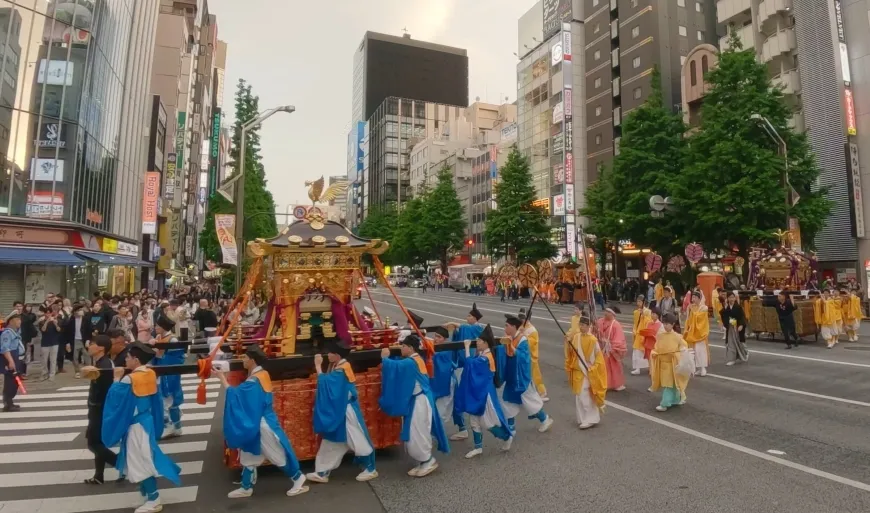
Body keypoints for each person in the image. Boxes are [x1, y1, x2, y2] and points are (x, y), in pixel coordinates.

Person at [217, 345, 308, 499]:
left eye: (245, 358)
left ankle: (298, 478)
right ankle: (246, 486)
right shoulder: (262, 374)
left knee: (276, 454)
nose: (243, 360)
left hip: (261, 423)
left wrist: (221, 378)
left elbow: (237, 395)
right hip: (258, 419)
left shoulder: (254, 380)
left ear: (252, 360)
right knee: (248, 454)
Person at [102, 342, 181, 513]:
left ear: (136, 360)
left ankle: (154, 499)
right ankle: (147, 495)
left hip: (136, 425)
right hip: (147, 421)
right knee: (145, 457)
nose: (126, 360)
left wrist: (116, 378)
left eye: (128, 357)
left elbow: (114, 398)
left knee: (139, 461)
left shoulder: (129, 378)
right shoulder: (150, 373)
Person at [378, 335, 449, 478]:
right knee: (415, 431)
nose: (401, 348)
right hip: (417, 400)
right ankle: (423, 461)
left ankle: (428, 460)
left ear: (410, 348)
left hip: (420, 402)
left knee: (418, 431)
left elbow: (396, 366)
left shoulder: (412, 362)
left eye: (403, 346)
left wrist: (385, 358)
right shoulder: (414, 359)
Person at [306, 341, 377, 484]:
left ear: (337, 355)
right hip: (339, 409)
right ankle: (322, 471)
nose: (328, 355)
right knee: (332, 441)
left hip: (346, 410)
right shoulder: (338, 366)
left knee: (357, 438)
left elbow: (326, 383)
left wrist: (318, 366)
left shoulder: (342, 369)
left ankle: (370, 468)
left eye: (330, 353)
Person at [454, 324, 513, 458]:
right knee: (474, 419)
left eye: (479, 341)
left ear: (486, 343)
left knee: (489, 423)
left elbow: (469, 364)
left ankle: (506, 437)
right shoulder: (483, 354)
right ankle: (478, 447)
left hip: (485, 394)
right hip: (479, 392)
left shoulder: (486, 357)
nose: (477, 342)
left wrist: (467, 347)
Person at [501, 315, 553, 434]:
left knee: (530, 402)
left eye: (507, 325)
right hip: (511, 376)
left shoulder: (522, 340)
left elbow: (524, 358)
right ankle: (511, 428)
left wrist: (513, 348)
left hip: (521, 377)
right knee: (508, 401)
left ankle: (545, 420)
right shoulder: (508, 337)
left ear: (514, 327)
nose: (505, 328)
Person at [79, 335, 118, 484]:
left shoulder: (105, 365)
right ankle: (99, 475)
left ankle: (121, 464)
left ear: (101, 348)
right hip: (97, 408)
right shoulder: (100, 363)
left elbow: (107, 390)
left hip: (100, 409)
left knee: (93, 444)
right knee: (98, 442)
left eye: (93, 343)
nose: (89, 345)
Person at [566, 314, 607, 429]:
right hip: (578, 370)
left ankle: (591, 418)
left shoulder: (593, 340)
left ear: (589, 326)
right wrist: (568, 343)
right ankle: (583, 418)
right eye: (580, 325)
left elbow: (599, 358)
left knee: (585, 394)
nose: (581, 327)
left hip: (588, 371)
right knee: (579, 395)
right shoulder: (577, 337)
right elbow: (572, 353)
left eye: (584, 325)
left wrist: (593, 368)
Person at [430, 326, 469, 441]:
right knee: (454, 407)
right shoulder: (440, 348)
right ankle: (463, 430)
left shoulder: (445, 350)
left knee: (441, 409)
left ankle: (438, 433)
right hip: (446, 380)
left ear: (445, 339)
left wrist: (429, 352)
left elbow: (439, 363)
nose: (436, 339)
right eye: (435, 336)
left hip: (447, 382)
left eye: (439, 337)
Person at [151, 316, 185, 437]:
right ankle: (174, 426)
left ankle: (172, 426)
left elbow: (178, 359)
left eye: (157, 326)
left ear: (164, 327)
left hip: (170, 373)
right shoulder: (159, 337)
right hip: (161, 371)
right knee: (164, 400)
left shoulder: (172, 340)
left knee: (169, 399)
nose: (155, 328)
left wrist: (159, 354)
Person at [650, 313, 690, 412]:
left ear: (672, 324)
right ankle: (676, 399)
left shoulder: (677, 336)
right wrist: (654, 353)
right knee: (671, 384)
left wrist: (677, 353)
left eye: (667, 323)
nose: (665, 325)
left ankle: (665, 403)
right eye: (664, 323)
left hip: (672, 364)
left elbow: (684, 348)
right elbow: (656, 347)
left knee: (668, 384)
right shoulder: (660, 335)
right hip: (663, 363)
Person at [517, 307, 548, 401]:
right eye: (520, 317)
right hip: (521, 356)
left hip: (530, 357)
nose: (520, 319)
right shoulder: (520, 327)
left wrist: (523, 335)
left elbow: (531, 343)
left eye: (522, 318)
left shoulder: (532, 330)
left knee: (535, 376)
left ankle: (542, 392)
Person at [594, 308, 626, 391]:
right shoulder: (600, 321)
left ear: (613, 314)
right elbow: (595, 331)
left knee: (613, 368)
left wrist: (612, 347)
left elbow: (619, 339)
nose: (606, 313)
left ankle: (615, 384)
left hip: (610, 350)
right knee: (601, 367)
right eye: (605, 311)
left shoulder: (616, 325)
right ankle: (601, 383)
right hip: (601, 347)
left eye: (608, 312)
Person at [683, 291, 711, 376]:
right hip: (692, 331)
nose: (693, 299)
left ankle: (703, 368)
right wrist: (687, 328)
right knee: (693, 350)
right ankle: (698, 368)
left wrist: (693, 312)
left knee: (700, 350)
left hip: (700, 332)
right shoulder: (691, 307)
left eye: (695, 297)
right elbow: (688, 319)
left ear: (699, 298)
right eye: (692, 297)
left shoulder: (704, 307)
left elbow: (700, 318)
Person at [1, 314, 24, 412]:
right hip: (11, 358)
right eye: (17, 319)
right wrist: (11, 361)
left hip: (16, 357)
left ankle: (10, 402)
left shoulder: (14, 332)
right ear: (10, 321)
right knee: (10, 382)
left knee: (15, 382)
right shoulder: (7, 333)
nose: (20, 321)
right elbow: (4, 349)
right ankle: (7, 403)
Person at [721, 291, 749, 366]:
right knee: (730, 343)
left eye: (733, 297)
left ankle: (745, 352)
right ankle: (732, 359)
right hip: (730, 327)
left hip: (737, 327)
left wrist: (741, 325)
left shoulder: (738, 307)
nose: (731, 299)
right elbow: (724, 316)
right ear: (727, 298)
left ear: (735, 298)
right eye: (730, 297)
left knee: (740, 342)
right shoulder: (726, 307)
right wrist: (725, 308)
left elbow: (742, 316)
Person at [38, 300, 63, 381]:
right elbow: (43, 330)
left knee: (53, 360)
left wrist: (55, 323)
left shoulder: (57, 320)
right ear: (45, 314)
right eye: (47, 313)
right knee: (44, 360)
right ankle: (44, 374)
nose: (48, 314)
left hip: (54, 343)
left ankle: (52, 375)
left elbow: (59, 330)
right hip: (45, 343)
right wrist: (47, 321)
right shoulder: (41, 321)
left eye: (49, 313)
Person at [630, 295, 652, 375]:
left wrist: (644, 316)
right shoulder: (636, 312)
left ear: (643, 302)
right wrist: (634, 330)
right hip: (638, 333)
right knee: (636, 351)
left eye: (640, 301)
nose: (638, 303)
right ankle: (637, 368)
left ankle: (650, 367)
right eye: (637, 301)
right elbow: (635, 323)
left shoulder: (647, 312)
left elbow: (649, 322)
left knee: (646, 351)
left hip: (644, 333)